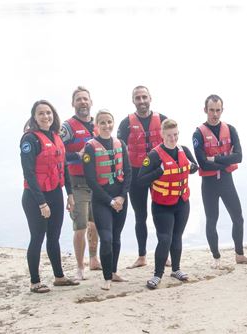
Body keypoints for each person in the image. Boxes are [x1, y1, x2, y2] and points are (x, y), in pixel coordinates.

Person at [20, 100, 80, 293]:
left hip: (55, 193)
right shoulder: (30, 139)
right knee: (37, 237)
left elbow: (64, 168)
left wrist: (69, 194)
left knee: (54, 237)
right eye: (41, 113)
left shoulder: (56, 136)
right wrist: (41, 203)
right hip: (34, 197)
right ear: (34, 117)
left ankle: (59, 277)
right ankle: (35, 281)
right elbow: (29, 173)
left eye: (48, 113)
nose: (46, 116)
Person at [192, 95, 247, 269]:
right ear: (205, 110)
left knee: (238, 217)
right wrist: (225, 158)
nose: (215, 114)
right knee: (212, 220)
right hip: (209, 183)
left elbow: (240, 156)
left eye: (218, 110)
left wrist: (215, 158)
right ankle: (216, 258)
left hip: (227, 181)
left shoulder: (231, 129)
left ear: (222, 110)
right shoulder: (198, 133)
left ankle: (240, 254)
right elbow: (203, 163)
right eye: (211, 110)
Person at [137, 119, 198, 289]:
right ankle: (157, 275)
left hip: (182, 201)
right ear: (162, 135)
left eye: (176, 135)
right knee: (165, 239)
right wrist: (159, 171)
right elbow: (141, 180)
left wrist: (192, 167)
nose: (173, 138)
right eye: (170, 135)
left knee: (177, 237)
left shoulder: (183, 150)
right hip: (162, 205)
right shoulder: (154, 156)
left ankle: (176, 269)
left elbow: (195, 168)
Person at [117, 86, 167, 269]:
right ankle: (142, 256)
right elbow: (119, 151)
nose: (142, 101)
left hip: (158, 174)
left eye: (144, 97)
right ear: (133, 101)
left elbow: (172, 143)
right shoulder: (125, 123)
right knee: (140, 216)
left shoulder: (162, 119)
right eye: (138, 98)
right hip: (137, 175)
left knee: (161, 213)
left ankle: (164, 254)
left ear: (150, 98)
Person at [83, 110, 132, 290]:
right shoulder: (90, 147)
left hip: (120, 197)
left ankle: (113, 271)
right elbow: (90, 180)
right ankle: (106, 279)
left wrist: (122, 196)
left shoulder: (121, 144)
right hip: (102, 200)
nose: (106, 126)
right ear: (97, 125)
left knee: (117, 237)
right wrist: (110, 201)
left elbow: (128, 172)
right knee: (107, 237)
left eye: (109, 122)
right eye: (102, 123)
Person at [60, 86, 100, 280]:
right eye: (79, 99)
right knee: (81, 225)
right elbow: (58, 154)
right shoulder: (67, 127)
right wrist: (76, 155)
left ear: (91, 102)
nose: (83, 102)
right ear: (73, 103)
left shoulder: (98, 124)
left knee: (96, 222)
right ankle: (79, 267)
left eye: (86, 99)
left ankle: (94, 259)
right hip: (77, 181)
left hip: (98, 181)